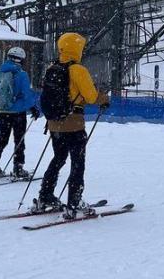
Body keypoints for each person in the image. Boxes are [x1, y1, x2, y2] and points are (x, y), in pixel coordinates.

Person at [35, 33, 110, 219]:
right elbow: (91, 96)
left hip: (54, 124)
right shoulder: (78, 69)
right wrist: (104, 98)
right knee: (78, 162)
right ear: (77, 49)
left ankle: (45, 196)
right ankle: (74, 201)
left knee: (58, 158)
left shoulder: (52, 68)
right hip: (73, 124)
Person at [0, 47, 39, 179]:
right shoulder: (21, 74)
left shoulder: (0, 72)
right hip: (18, 112)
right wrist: (33, 107)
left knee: (3, 139)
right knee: (19, 140)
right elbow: (26, 94)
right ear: (21, 59)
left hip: (3, 111)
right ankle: (18, 168)